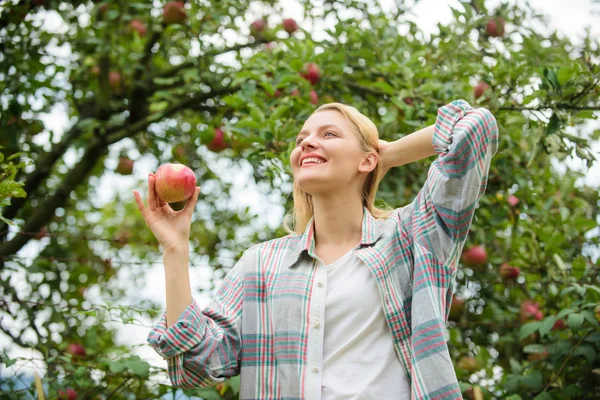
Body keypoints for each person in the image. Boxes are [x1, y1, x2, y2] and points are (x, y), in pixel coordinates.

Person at [134, 99, 499, 400]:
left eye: (328, 134)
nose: (306, 143)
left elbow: (474, 128)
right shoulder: (261, 264)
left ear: (366, 160)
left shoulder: (411, 237)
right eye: (301, 138)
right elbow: (200, 364)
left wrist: (387, 155)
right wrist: (175, 249)